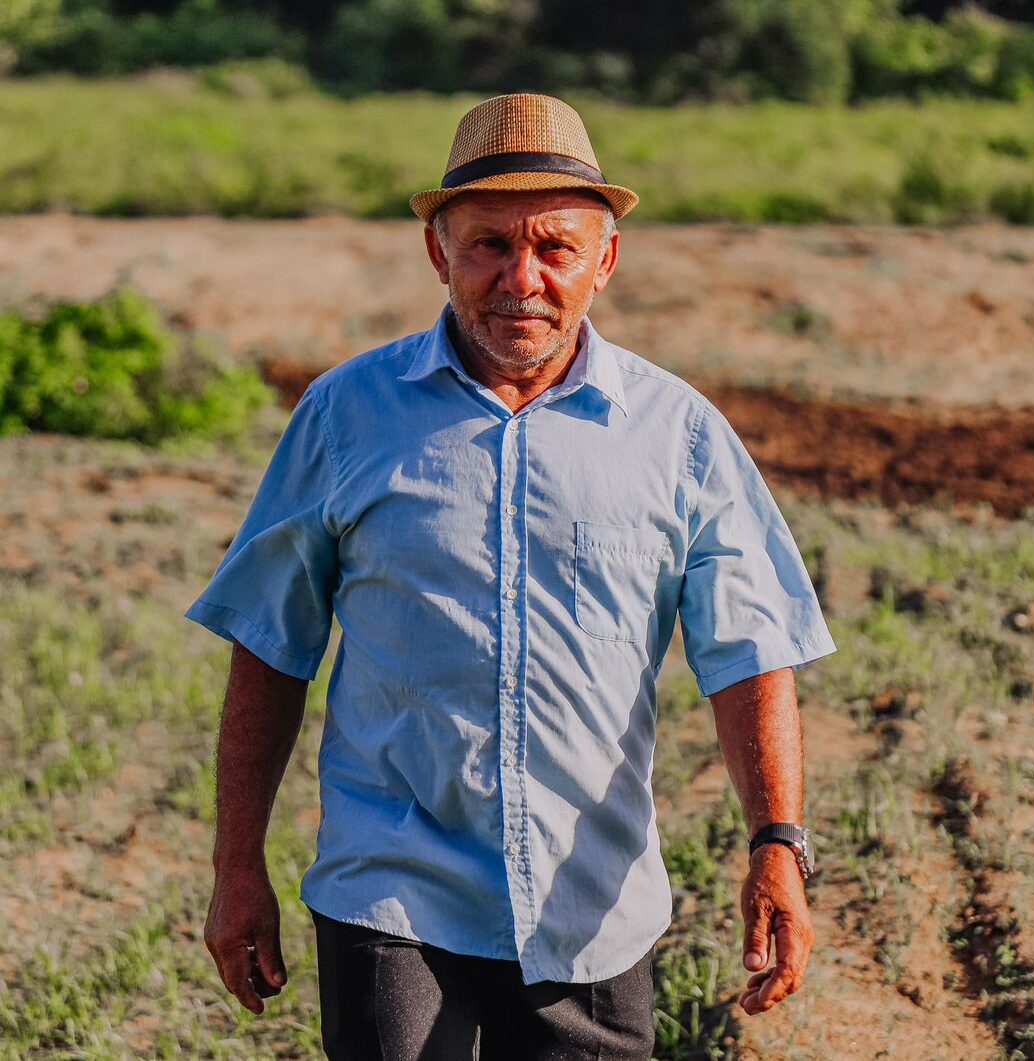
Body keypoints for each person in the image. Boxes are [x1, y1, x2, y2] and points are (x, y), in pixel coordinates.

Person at [185, 92, 836, 1060]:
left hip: (593, 895)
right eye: (488, 244)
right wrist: (237, 863)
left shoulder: (678, 433)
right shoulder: (346, 414)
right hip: (390, 883)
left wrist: (777, 842)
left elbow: (750, 653)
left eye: (555, 248)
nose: (519, 278)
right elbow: (272, 644)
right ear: (437, 253)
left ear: (604, 260)